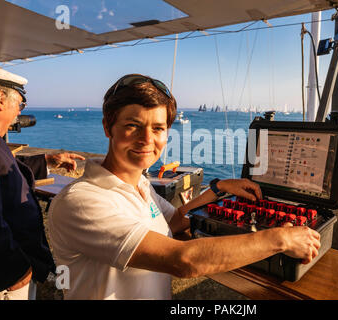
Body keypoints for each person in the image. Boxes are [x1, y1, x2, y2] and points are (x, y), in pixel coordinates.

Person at [48, 74, 321, 300]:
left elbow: (176, 221)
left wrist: (218, 188)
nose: (147, 139)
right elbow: (184, 261)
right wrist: (280, 239)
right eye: (133, 126)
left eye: (157, 128)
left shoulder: (141, 184)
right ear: (108, 126)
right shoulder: (82, 201)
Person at [0, 66, 85, 300]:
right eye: (20, 105)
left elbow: (5, 167)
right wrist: (15, 269)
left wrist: (48, 160)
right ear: (1, 100)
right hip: (4, 278)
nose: (18, 114)